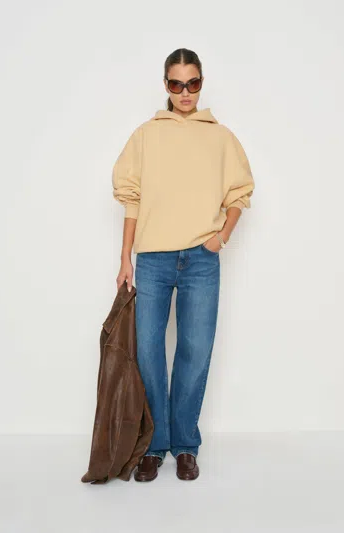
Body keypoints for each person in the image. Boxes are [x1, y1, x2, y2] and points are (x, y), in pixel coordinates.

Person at [112, 48, 255, 482]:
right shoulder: (146, 135)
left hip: (200, 260)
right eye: (176, 84)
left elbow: (240, 193)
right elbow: (131, 198)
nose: (185, 92)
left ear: (201, 83)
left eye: (192, 83)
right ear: (166, 85)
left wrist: (221, 237)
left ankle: (186, 444)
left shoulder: (221, 137)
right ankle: (155, 445)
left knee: (195, 350)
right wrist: (125, 259)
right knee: (149, 352)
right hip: (153, 260)